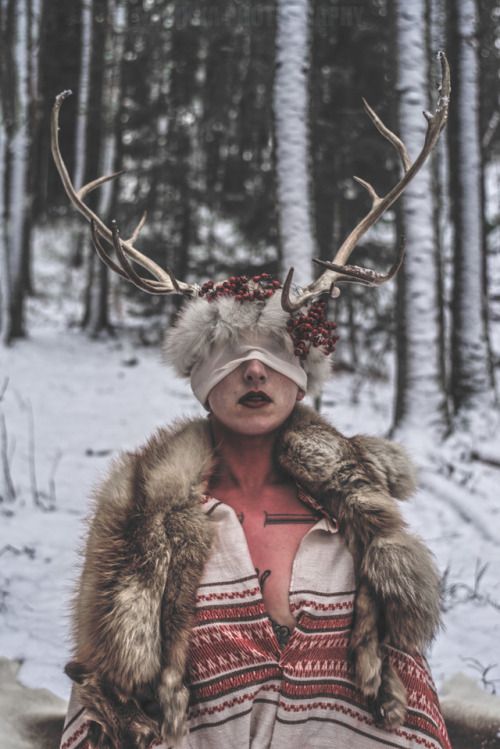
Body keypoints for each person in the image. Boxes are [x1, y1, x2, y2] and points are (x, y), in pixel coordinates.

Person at [58, 277, 451, 749]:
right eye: (230, 354)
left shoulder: (356, 510)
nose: (255, 372)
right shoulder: (143, 516)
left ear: (302, 381)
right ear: (201, 381)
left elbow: (404, 686)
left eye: (276, 353)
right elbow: (108, 684)